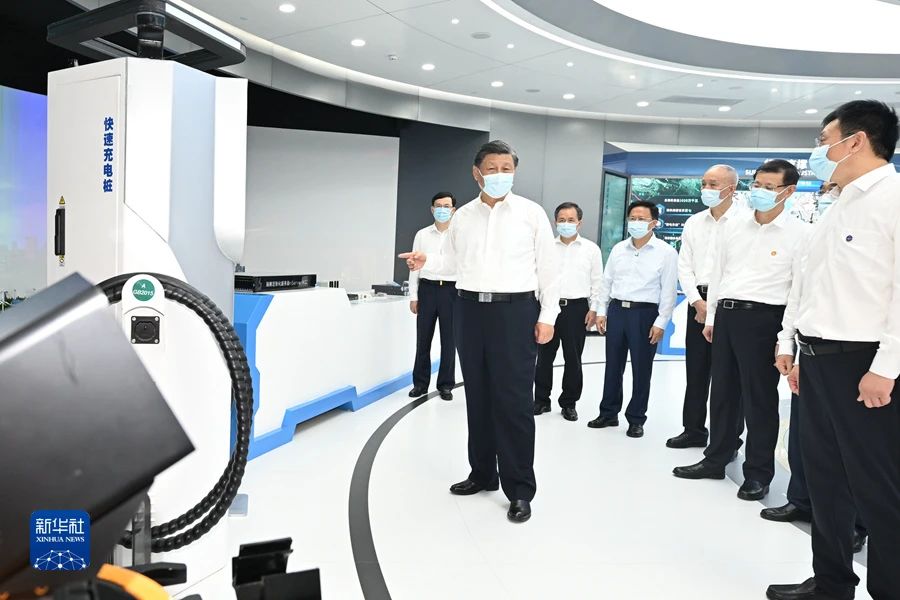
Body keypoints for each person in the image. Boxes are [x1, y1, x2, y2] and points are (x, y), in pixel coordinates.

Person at [766, 100, 900, 600]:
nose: (818, 151)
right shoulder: (835, 205)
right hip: (816, 359)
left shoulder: (892, 200)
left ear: (855, 141)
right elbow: (807, 284)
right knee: (824, 479)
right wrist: (790, 343)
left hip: (865, 365)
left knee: (878, 487)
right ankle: (831, 582)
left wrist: (886, 368)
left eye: (824, 140)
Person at [400, 140, 560, 524]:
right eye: (492, 168)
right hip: (469, 309)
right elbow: (453, 262)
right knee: (478, 396)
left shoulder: (531, 213)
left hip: (516, 311)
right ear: (477, 173)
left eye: (507, 168)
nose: (500, 175)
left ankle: (519, 489)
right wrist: (427, 260)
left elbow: (549, 269)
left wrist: (548, 315)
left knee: (514, 401)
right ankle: (483, 473)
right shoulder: (463, 217)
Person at [673, 160, 810, 504]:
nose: (759, 192)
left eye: (769, 187)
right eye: (757, 185)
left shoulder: (800, 234)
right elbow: (718, 276)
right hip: (727, 316)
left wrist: (785, 340)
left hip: (766, 319)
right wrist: (711, 318)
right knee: (722, 392)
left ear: (788, 191)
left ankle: (758, 473)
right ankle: (716, 458)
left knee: (759, 399)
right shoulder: (735, 226)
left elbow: (798, 291)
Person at [667, 164, 743, 449]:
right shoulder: (694, 222)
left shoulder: (746, 221)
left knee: (729, 377)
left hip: (729, 304)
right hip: (697, 302)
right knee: (696, 371)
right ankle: (693, 430)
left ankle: (728, 439)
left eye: (713, 184)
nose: (706, 189)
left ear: (731, 189)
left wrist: (712, 306)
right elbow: (684, 265)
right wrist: (696, 302)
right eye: (704, 183)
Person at [588, 201, 678, 438]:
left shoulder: (666, 253)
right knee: (612, 365)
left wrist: (661, 322)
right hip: (617, 310)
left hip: (645, 314)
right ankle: (608, 412)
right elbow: (606, 281)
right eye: (633, 218)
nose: (636, 223)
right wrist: (601, 311)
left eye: (641, 219)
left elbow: (668, 291)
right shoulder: (619, 249)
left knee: (641, 368)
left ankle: (636, 418)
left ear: (654, 223)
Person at [534, 202, 603, 422]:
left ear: (579, 223)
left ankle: (569, 403)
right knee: (544, 358)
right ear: (555, 222)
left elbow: (597, 282)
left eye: (571, 220)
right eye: (562, 220)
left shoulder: (591, 249)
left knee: (573, 359)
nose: (566, 224)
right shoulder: (546, 247)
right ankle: (541, 400)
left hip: (576, 309)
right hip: (548, 308)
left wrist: (594, 308)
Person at [408, 192, 458, 401]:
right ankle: (420, 384)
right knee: (423, 339)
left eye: (446, 206)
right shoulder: (422, 235)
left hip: (452, 291)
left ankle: (446, 385)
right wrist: (414, 295)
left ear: (453, 210)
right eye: (438, 206)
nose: (442, 210)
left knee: (449, 340)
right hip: (427, 290)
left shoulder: (458, 235)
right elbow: (413, 266)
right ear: (432, 209)